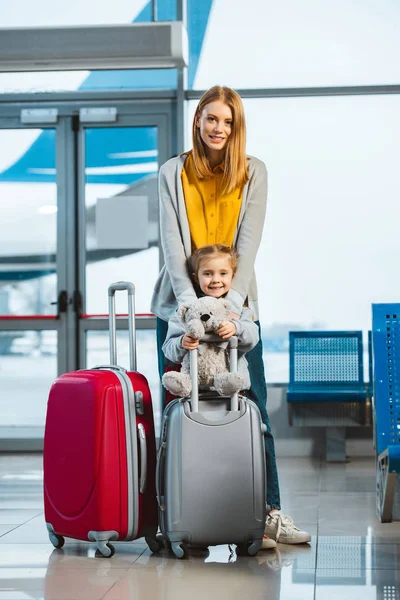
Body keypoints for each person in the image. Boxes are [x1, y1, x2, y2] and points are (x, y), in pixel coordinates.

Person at [151, 85, 311, 545]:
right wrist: (190, 311)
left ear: (236, 127)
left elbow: (249, 244)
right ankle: (174, 514)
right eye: (211, 118)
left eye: (228, 121)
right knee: (176, 411)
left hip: (236, 310)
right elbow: (172, 246)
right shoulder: (171, 173)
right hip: (179, 309)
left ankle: (270, 512)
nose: (219, 128)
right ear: (198, 119)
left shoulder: (253, 172)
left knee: (253, 405)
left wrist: (229, 310)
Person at [162, 245, 259, 397]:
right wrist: (181, 342)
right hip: (195, 391)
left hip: (232, 392)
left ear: (232, 276)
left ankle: (228, 382)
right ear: (196, 277)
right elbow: (168, 349)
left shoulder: (238, 311)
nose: (216, 280)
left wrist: (236, 327)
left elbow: (253, 338)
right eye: (208, 273)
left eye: (223, 273)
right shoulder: (186, 311)